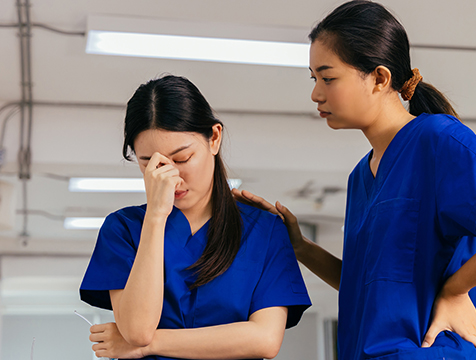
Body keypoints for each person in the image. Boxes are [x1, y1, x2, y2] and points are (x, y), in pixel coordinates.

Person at [234, 1, 476, 359]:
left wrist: (456, 290)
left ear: (380, 78)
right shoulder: (361, 176)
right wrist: (301, 247)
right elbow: (373, 286)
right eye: (314, 79)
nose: (316, 94)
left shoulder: (436, 139)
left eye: (328, 78)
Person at [79, 75, 311, 360]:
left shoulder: (265, 231)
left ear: (214, 138)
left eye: (182, 159)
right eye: (150, 164)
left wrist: (152, 345)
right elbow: (138, 330)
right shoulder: (124, 229)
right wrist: (156, 216)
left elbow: (264, 339)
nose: (170, 177)